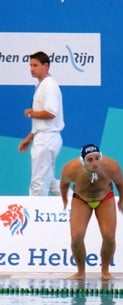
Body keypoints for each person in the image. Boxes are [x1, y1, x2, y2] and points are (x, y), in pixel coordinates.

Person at [59, 144, 123, 280]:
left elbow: (120, 183)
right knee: (76, 237)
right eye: (90, 160)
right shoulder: (70, 169)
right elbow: (64, 184)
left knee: (109, 236)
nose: (95, 163)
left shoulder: (111, 166)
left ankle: (105, 271)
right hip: (81, 198)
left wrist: (121, 200)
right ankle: (80, 272)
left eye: (97, 158)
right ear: (83, 161)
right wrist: (65, 199)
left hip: (105, 197)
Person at [18, 51, 64, 196]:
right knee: (50, 182)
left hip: (46, 138)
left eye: (35, 65)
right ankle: (80, 201)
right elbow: (41, 122)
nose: (32, 69)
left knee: (38, 183)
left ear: (46, 66)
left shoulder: (49, 86)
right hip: (44, 136)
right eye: (30, 65)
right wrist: (29, 138)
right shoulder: (42, 85)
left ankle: (34, 210)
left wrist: (30, 113)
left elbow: (50, 113)